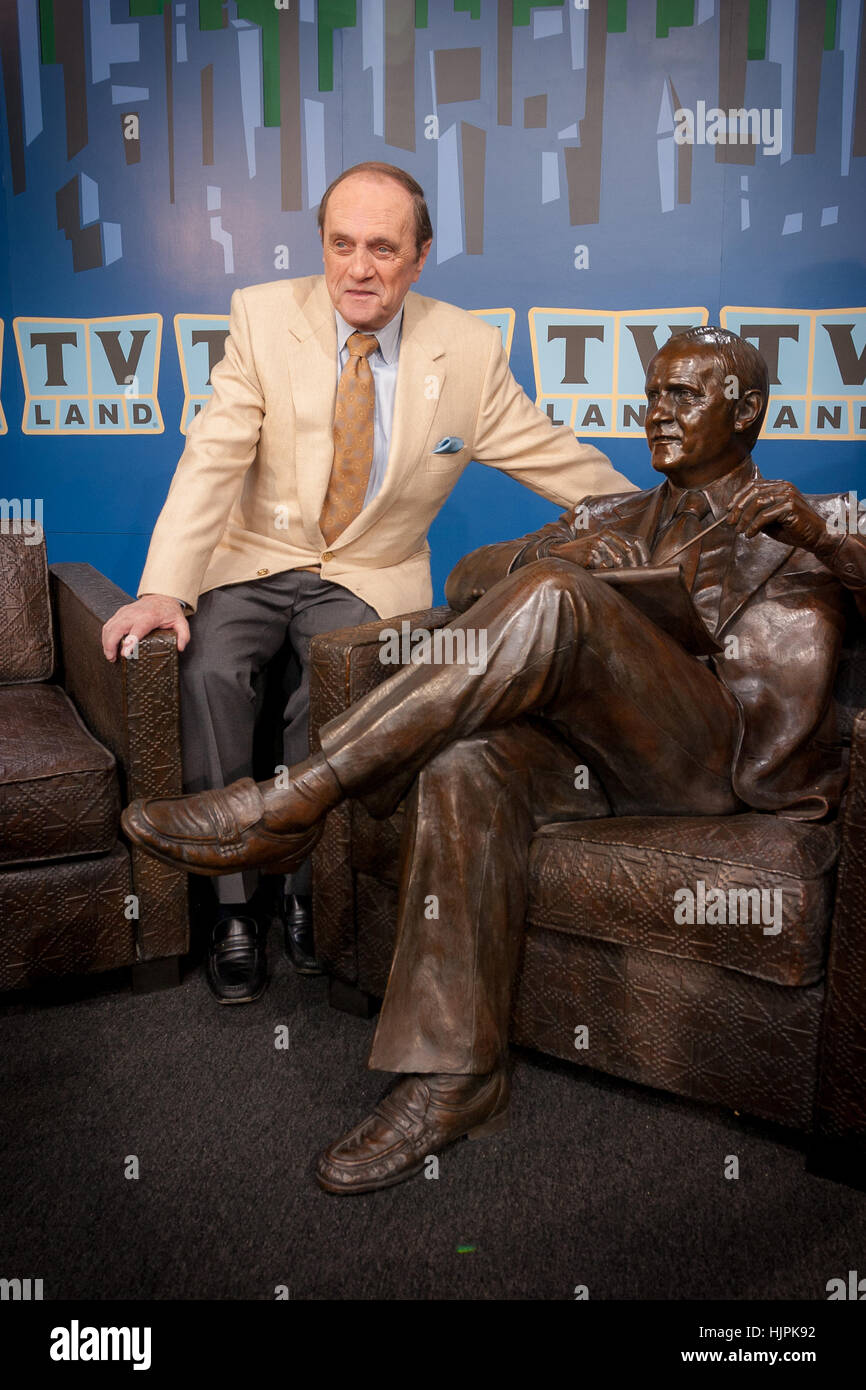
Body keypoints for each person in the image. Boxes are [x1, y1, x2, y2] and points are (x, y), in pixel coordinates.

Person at [123, 324, 866, 1195]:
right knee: (465, 761)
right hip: (600, 759)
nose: (654, 412)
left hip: (720, 762)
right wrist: (560, 551)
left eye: (682, 397)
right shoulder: (614, 510)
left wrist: (824, 542)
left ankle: (297, 797)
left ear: (746, 414)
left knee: (560, 602)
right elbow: (469, 579)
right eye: (652, 392)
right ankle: (455, 1077)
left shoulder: (810, 524)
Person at [100, 161, 632, 1005]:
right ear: (322, 246)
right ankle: (235, 910)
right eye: (341, 244)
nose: (358, 267)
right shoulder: (264, 318)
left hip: (366, 572)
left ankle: (312, 893)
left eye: (382, 248)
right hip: (254, 557)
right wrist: (165, 586)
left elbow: (555, 458)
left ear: (419, 259)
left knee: (335, 688)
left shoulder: (468, 349)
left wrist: (656, 520)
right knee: (207, 674)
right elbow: (212, 458)